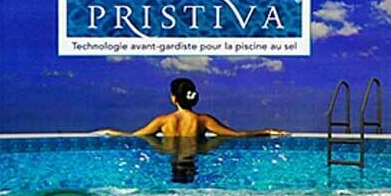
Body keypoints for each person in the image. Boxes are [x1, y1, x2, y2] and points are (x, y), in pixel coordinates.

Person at [99, 78, 288, 139]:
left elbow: (133, 136)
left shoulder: (163, 121)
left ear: (174, 99)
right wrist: (267, 131)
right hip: (194, 156)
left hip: (171, 155)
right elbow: (236, 135)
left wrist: (109, 132)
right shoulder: (203, 120)